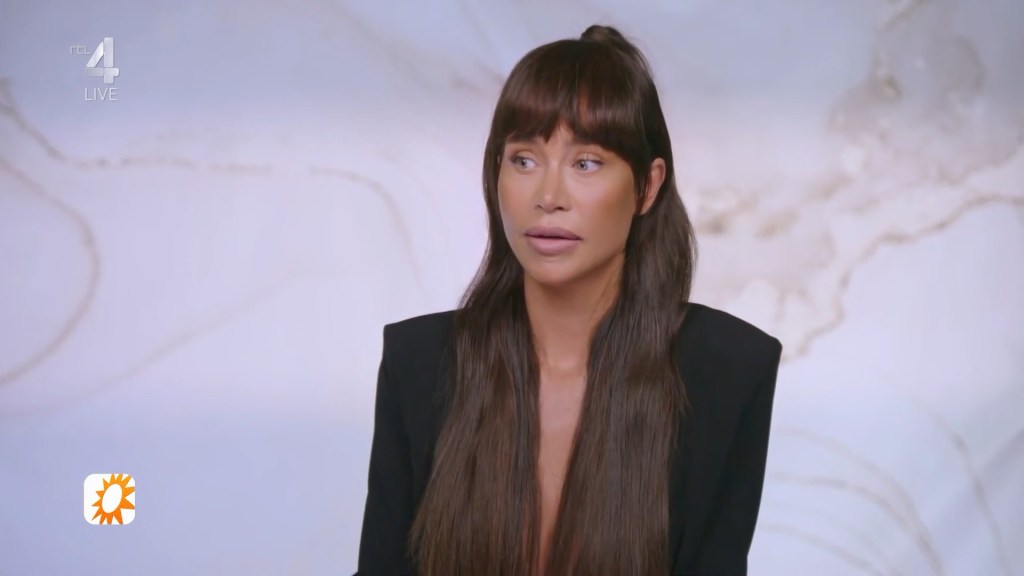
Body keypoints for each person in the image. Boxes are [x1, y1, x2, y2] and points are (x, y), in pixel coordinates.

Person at [356, 24, 782, 576]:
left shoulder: (727, 370)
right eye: (524, 160)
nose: (549, 197)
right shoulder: (419, 361)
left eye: (586, 163)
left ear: (648, 187)